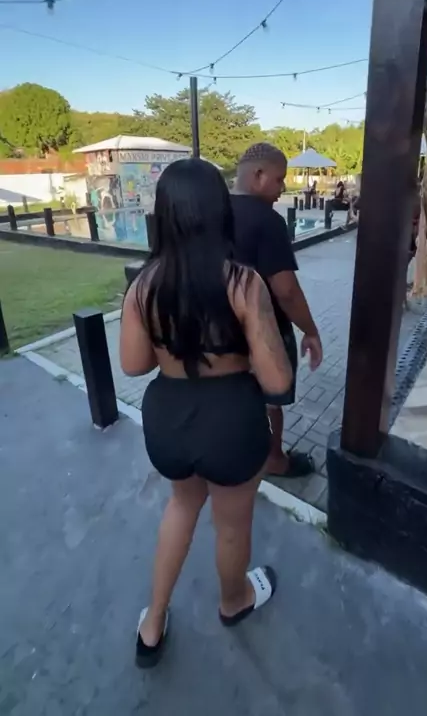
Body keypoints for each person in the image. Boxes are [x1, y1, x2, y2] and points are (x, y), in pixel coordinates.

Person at [120, 158, 292, 668]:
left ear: (165, 213)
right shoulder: (243, 282)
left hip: (169, 419)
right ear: (220, 209)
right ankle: (234, 601)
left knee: (181, 505)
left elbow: (133, 365)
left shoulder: (143, 286)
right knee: (231, 525)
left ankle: (152, 622)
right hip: (230, 421)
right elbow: (278, 382)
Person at [231, 142, 323, 478]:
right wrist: (310, 330)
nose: (282, 187)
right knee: (272, 397)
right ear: (258, 175)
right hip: (262, 327)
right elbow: (285, 290)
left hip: (220, 329)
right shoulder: (267, 221)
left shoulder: (212, 211)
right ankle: (273, 458)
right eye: (279, 179)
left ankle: (239, 448)